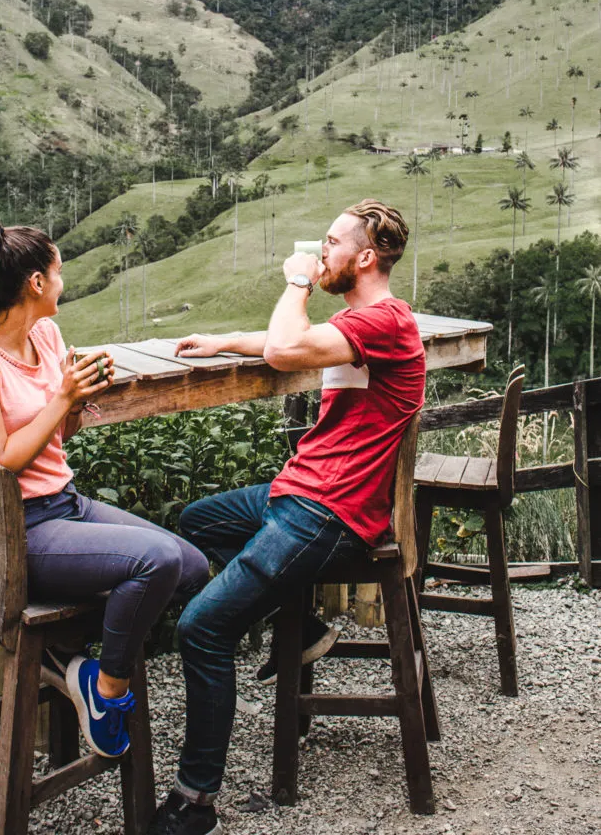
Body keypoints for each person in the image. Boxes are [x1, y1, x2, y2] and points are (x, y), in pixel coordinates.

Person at [147, 199, 426, 835]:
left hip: (327, 515)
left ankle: (194, 802)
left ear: (362, 257)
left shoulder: (385, 321)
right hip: (296, 493)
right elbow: (294, 346)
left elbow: (286, 349)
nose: (320, 251)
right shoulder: (363, 322)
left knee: (202, 628)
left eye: (330, 243)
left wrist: (297, 280)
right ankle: (295, 622)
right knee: (197, 522)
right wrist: (223, 341)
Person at [0, 223, 209, 759]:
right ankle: (106, 690)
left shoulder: (45, 337)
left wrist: (79, 400)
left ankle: (68, 657)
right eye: (59, 271)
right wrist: (62, 399)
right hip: (14, 532)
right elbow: (0, 465)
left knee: (193, 566)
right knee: (155, 561)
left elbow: (56, 435)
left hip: (66, 505)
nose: (64, 280)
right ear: (36, 282)